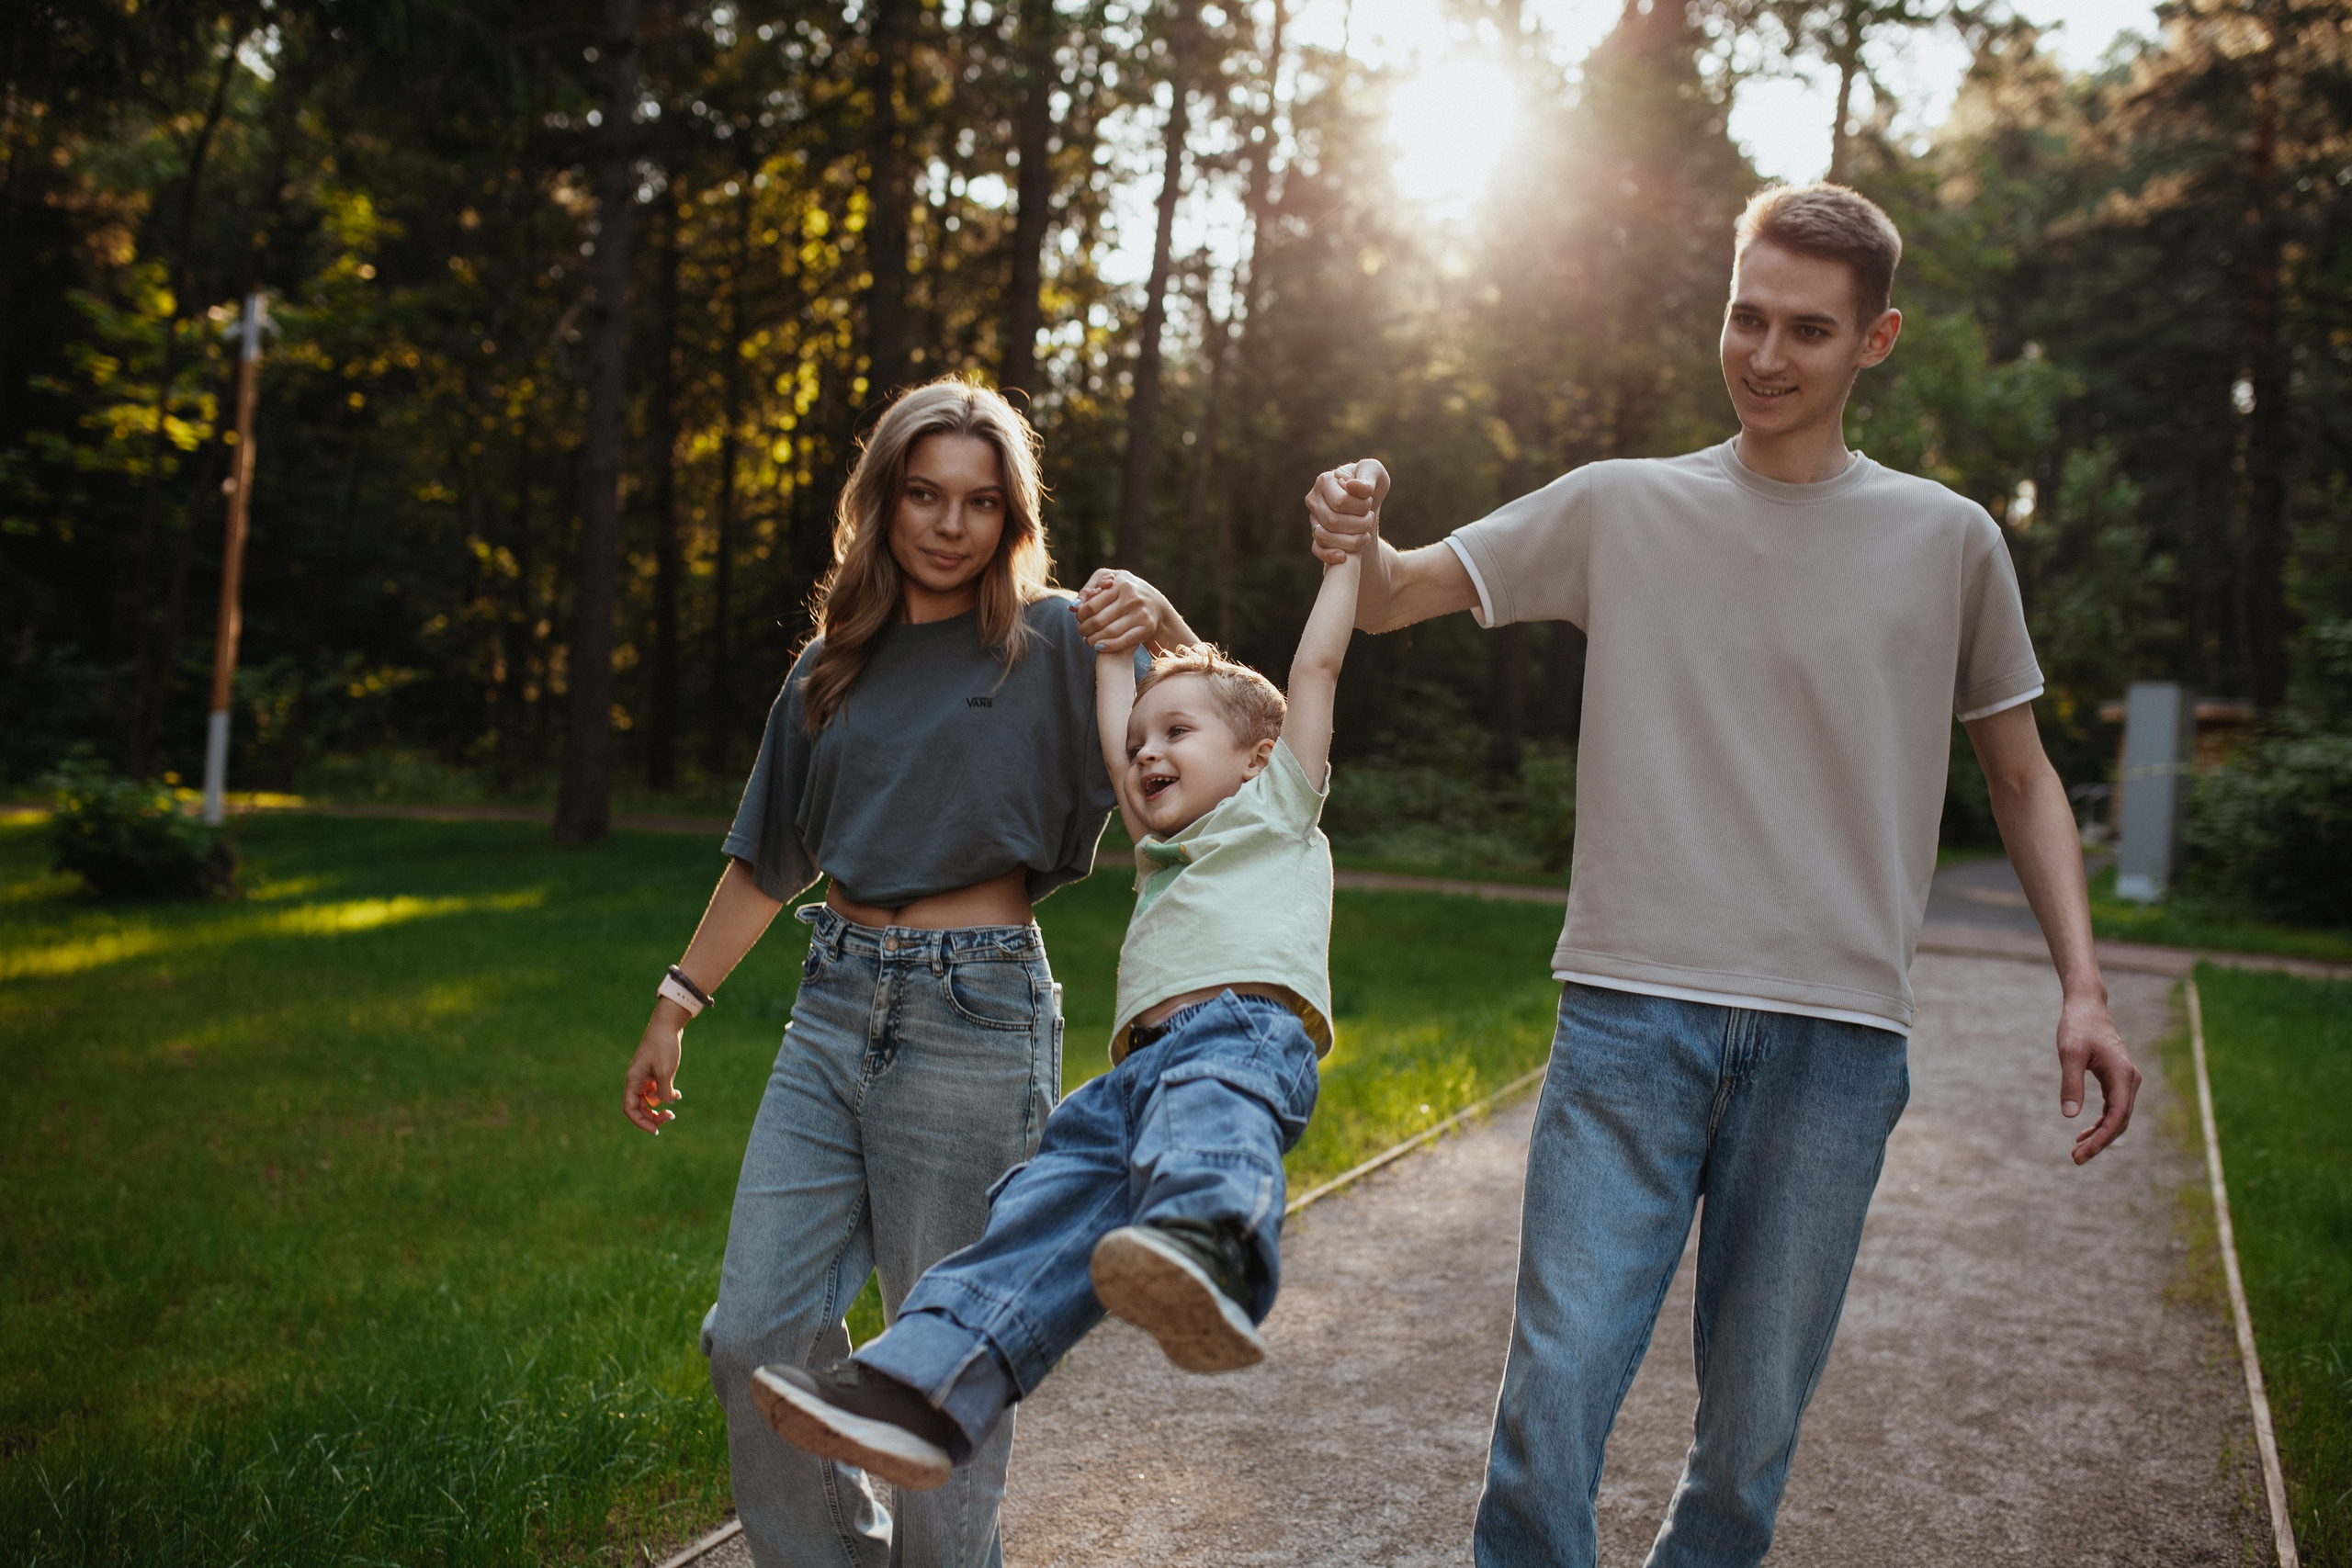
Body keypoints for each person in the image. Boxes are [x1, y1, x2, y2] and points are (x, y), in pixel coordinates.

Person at [1304, 183, 2144, 1568]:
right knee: (1551, 1406)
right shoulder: (1623, 505)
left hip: (1838, 1040)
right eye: (1746, 318)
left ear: (1875, 341)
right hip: (1629, 1016)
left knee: (1749, 1445)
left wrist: (2086, 990)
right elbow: (1394, 592)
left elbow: (2022, 776)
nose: (1766, 354)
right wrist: (1350, 524)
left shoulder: (1950, 542)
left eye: (1807, 331)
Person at [620, 377, 1195, 1568]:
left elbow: (1178, 768)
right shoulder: (827, 668)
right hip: (831, 1003)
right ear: (881, 502)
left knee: (944, 1365)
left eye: (981, 501)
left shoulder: (1048, 639)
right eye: (925, 494)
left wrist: (1167, 633)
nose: (949, 523)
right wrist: (677, 1002)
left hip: (974, 1013)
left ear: (1012, 519)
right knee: (756, 1335)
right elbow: (767, 857)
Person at [745, 547, 1366, 1492]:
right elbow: (1122, 727)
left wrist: (1344, 555)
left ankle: (1214, 1245)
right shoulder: (1164, 844)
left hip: (1239, 1037)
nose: (1148, 753)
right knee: (1036, 1211)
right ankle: (921, 1389)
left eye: (1178, 733)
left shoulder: (1281, 803)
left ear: (1256, 759)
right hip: (1134, 1074)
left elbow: (1314, 667)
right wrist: (1112, 649)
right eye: (1140, 741)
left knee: (1209, 1118)